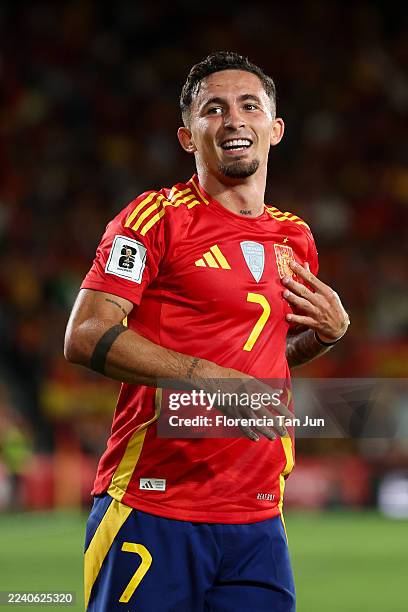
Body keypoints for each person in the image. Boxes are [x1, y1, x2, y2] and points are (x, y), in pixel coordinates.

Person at [64, 51, 349, 612]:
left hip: (258, 516)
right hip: (155, 507)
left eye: (250, 106)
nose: (235, 119)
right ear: (188, 137)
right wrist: (211, 379)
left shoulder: (296, 239)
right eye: (213, 109)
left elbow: (270, 357)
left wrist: (326, 336)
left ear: (275, 128)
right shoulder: (154, 218)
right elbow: (84, 335)